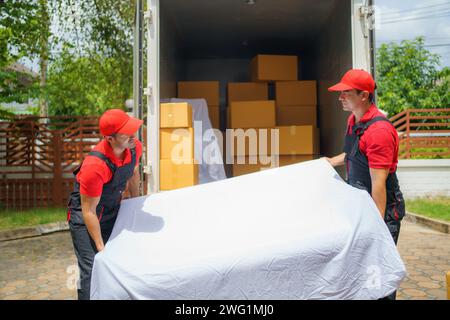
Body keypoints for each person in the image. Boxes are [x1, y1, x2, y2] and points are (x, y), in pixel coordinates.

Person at [324, 69, 405, 300]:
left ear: (364, 95)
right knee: (361, 271)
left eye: (345, 93)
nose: (340, 97)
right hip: (362, 206)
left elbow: (378, 185)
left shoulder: (379, 131)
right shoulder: (354, 121)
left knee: (378, 273)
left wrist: (375, 229)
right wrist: (332, 161)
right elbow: (354, 153)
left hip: (381, 210)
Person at [67, 109, 143, 300]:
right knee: (93, 267)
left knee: (120, 262)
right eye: (126, 132)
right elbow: (88, 211)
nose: (133, 135)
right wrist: (101, 248)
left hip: (111, 210)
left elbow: (133, 173)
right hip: (85, 218)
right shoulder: (95, 166)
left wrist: (135, 203)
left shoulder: (134, 147)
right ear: (110, 138)